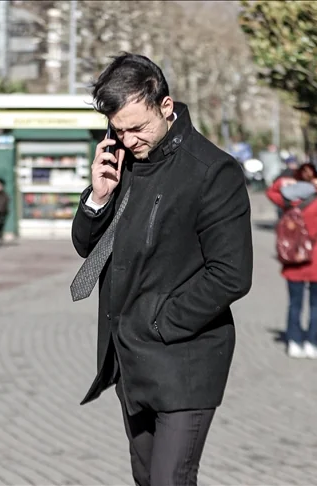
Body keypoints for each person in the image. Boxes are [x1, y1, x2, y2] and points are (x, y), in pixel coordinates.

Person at [69, 53, 253, 485]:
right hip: (130, 362)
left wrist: (160, 321)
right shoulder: (124, 164)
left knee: (170, 479)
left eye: (138, 127)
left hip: (184, 359)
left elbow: (231, 273)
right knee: (146, 478)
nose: (129, 139)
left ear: (165, 106)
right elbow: (87, 248)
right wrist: (98, 197)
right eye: (118, 130)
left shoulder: (212, 171)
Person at [267, 164, 317, 359]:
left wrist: (282, 182)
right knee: (316, 303)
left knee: (294, 304)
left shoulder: (287, 200)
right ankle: (312, 341)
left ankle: (294, 341)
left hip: (294, 259)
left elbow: (270, 192)